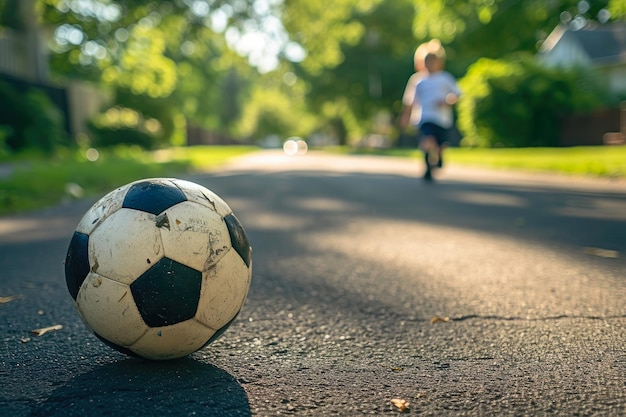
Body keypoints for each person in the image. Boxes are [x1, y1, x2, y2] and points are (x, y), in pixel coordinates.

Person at [400, 42, 460, 181]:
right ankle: (427, 167)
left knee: (440, 143)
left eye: (433, 61)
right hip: (424, 116)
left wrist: (446, 101)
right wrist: (405, 117)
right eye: (427, 61)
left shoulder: (445, 78)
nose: (430, 64)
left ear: (439, 63)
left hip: (442, 118)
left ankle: (439, 155)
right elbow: (410, 101)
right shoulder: (418, 80)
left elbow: (456, 95)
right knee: (428, 139)